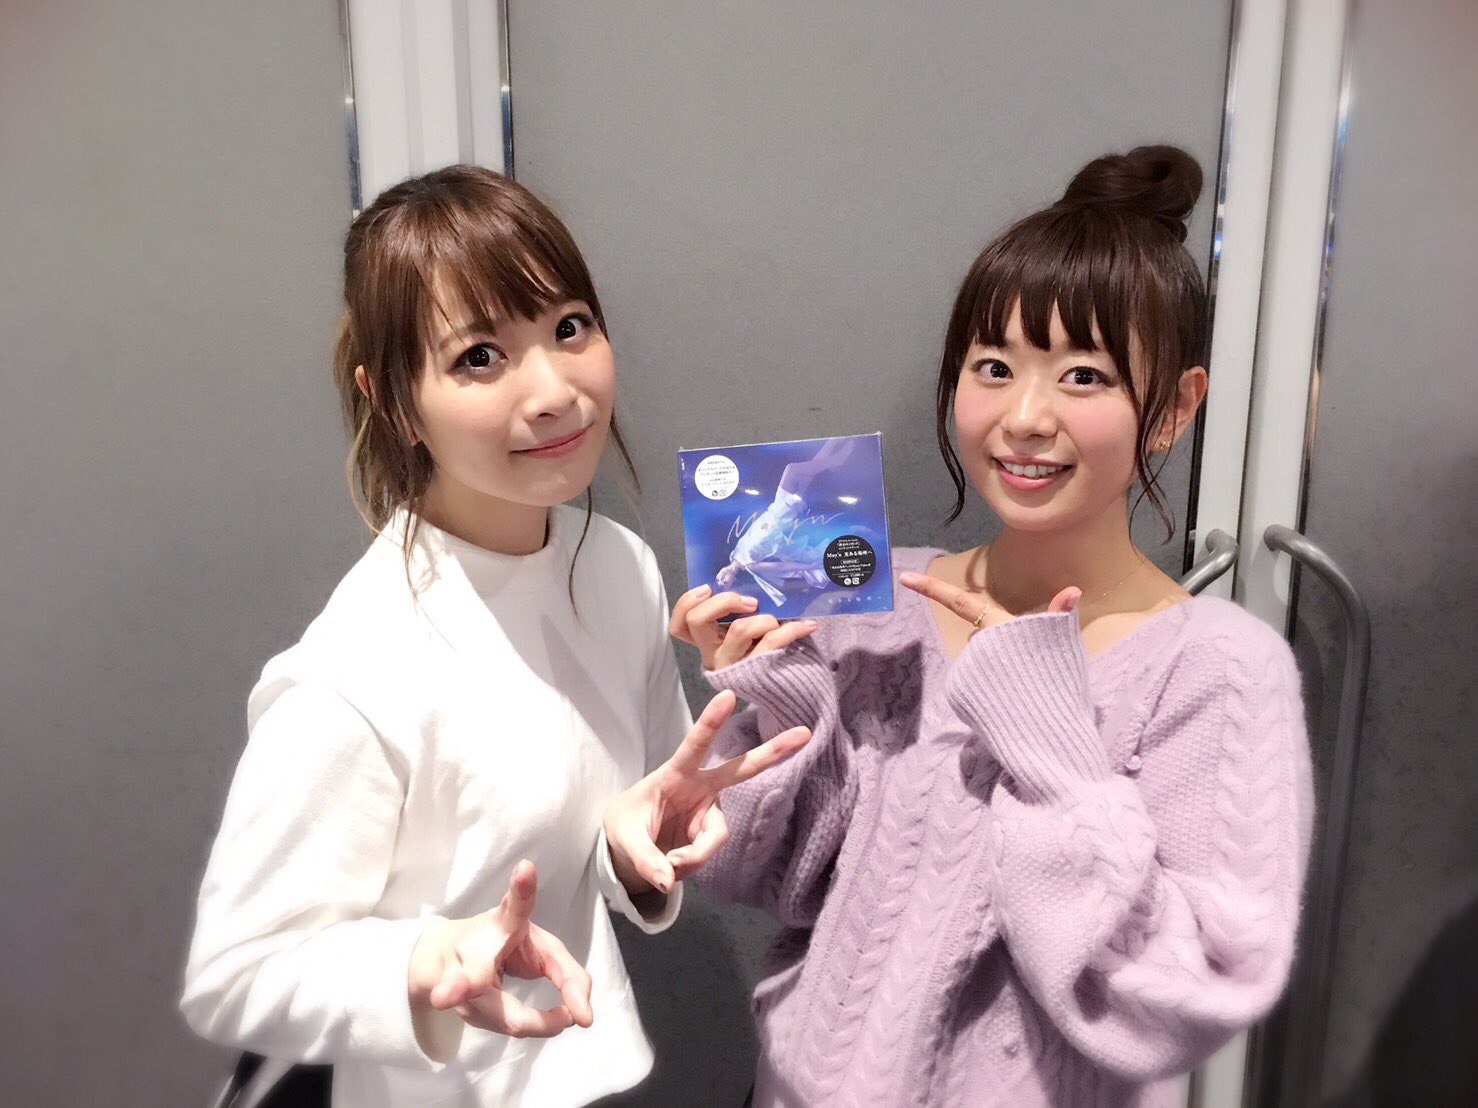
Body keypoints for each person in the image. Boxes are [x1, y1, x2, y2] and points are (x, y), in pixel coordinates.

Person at [671, 145, 1315, 1106]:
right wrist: (779, 693)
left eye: (1085, 376)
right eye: (993, 367)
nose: (1024, 416)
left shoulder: (1221, 667)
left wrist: (1045, 734)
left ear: (1174, 409)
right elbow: (767, 881)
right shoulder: (878, 603)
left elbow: (1186, 998)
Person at [180, 165, 808, 1108]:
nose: (553, 390)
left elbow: (609, 829)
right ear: (393, 400)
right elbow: (234, 974)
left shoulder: (618, 567)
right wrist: (430, 959)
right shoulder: (354, 673)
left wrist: (641, 844)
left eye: (570, 327)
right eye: (479, 357)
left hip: (570, 1074)